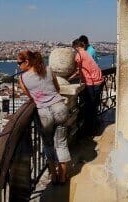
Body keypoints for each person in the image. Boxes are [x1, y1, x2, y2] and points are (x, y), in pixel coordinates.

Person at [17, 50, 70, 184]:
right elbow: (57, 88)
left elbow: (30, 97)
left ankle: (53, 175)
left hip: (44, 113)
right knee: (61, 143)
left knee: (48, 145)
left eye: (19, 63)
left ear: (27, 62)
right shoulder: (49, 69)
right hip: (60, 107)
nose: (18, 66)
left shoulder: (22, 78)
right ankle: (63, 177)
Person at [70, 39, 104, 136]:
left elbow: (77, 71)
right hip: (98, 80)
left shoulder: (78, 55)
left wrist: (69, 78)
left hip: (92, 82)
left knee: (90, 107)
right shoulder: (86, 53)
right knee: (93, 106)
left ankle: (89, 131)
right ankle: (93, 128)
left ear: (76, 47)